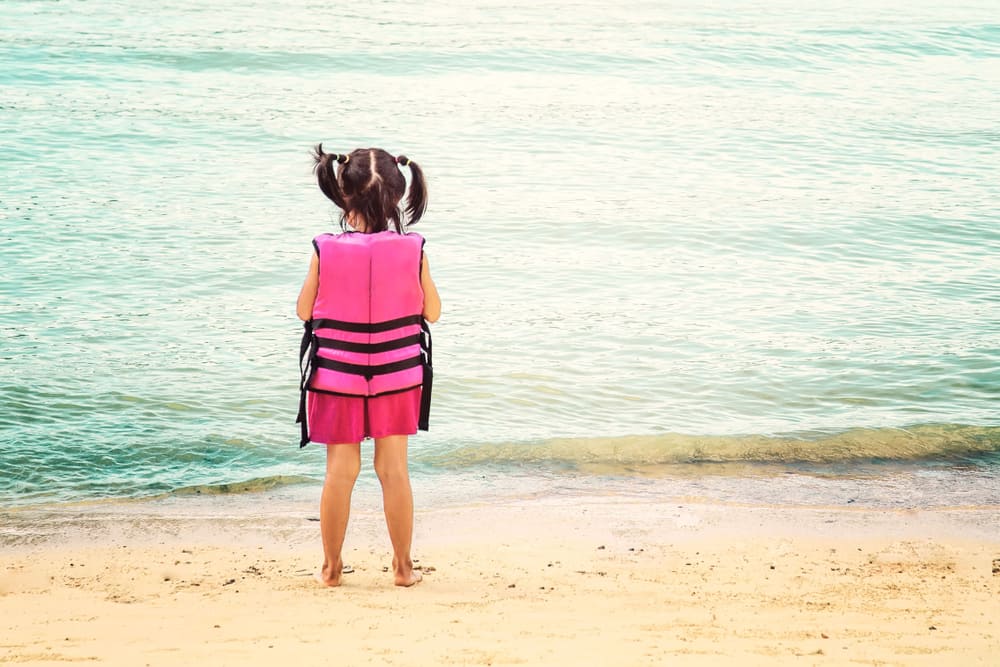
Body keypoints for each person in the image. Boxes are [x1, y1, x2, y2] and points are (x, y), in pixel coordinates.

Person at [296, 145, 441, 588]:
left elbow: (304, 310)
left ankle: (331, 569)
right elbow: (432, 311)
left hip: (336, 376)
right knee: (393, 470)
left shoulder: (326, 248)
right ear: (398, 197)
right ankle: (402, 568)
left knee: (341, 472)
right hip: (397, 376)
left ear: (343, 195)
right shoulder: (413, 248)